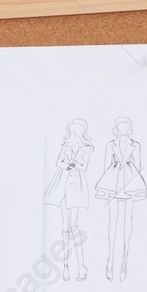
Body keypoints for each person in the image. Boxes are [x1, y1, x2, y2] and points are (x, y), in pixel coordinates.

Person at [94, 116, 146, 281]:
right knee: (113, 223)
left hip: (130, 182)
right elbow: (105, 166)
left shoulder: (135, 145)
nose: (123, 130)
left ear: (129, 129)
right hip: (113, 182)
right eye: (120, 127)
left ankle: (124, 262)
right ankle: (110, 261)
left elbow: (138, 165)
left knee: (127, 223)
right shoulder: (111, 145)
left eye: (126, 127)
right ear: (117, 129)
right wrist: (104, 185)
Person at [44, 118, 93, 280]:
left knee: (74, 226)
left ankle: (81, 266)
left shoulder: (85, 148)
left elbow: (83, 166)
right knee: (65, 227)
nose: (76, 135)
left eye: (79, 132)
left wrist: (69, 164)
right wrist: (70, 164)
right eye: (74, 132)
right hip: (64, 185)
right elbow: (59, 163)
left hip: (77, 187)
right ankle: (65, 266)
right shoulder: (66, 146)